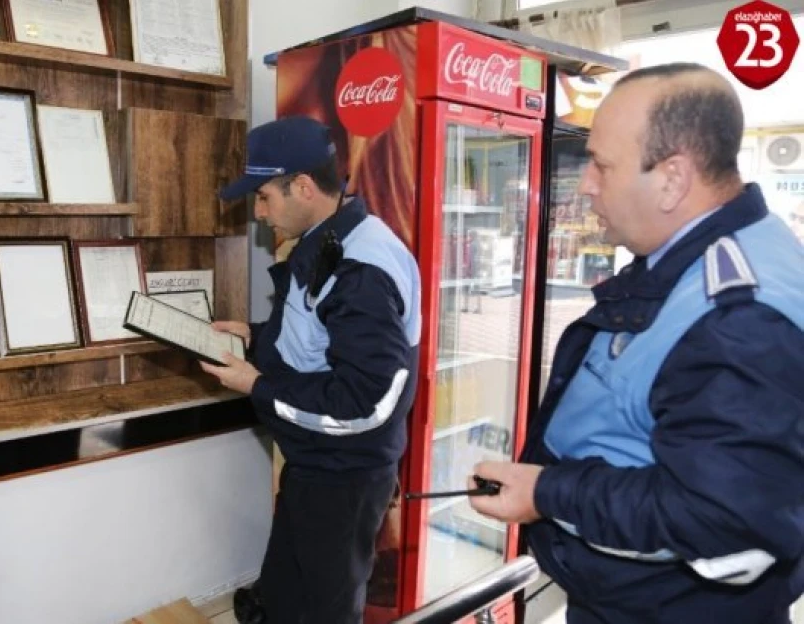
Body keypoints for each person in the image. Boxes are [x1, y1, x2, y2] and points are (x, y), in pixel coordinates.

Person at [467, 62, 804, 623]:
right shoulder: (717, 254)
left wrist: (548, 493)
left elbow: (725, 523)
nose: (586, 184)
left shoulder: (737, 315)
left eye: (601, 165)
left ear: (672, 178)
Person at [199, 116, 422, 624]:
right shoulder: (327, 238)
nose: (258, 213)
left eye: (263, 198)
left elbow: (366, 403)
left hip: (344, 478)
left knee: (325, 612)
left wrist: (257, 386)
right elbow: (315, 335)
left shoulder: (362, 267)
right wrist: (255, 337)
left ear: (302, 187)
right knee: (282, 600)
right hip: (313, 465)